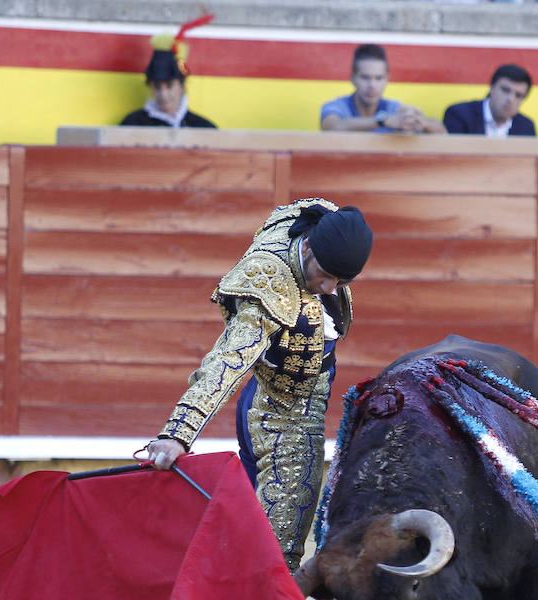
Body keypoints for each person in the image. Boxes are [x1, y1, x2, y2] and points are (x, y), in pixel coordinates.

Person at [145, 199, 373, 573]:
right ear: (308, 246)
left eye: (342, 281)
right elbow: (227, 362)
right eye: (325, 274)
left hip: (264, 396)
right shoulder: (269, 286)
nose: (330, 288)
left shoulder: (315, 221)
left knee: (247, 523)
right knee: (277, 551)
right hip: (285, 417)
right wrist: (178, 434)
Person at [321, 44, 445, 135]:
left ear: (387, 79)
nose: (372, 85)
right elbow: (332, 128)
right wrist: (383, 120)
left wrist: (420, 121)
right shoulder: (337, 106)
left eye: (378, 78)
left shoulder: (393, 108)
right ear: (353, 78)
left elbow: (442, 133)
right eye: (365, 77)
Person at [120, 34, 216, 129]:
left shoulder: (203, 127)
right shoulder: (132, 124)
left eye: (170, 86)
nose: (163, 95)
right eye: (157, 87)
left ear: (182, 87)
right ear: (150, 87)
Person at [443, 64, 536, 138]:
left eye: (518, 95)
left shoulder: (526, 126)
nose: (510, 99)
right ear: (492, 88)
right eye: (505, 90)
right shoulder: (460, 115)